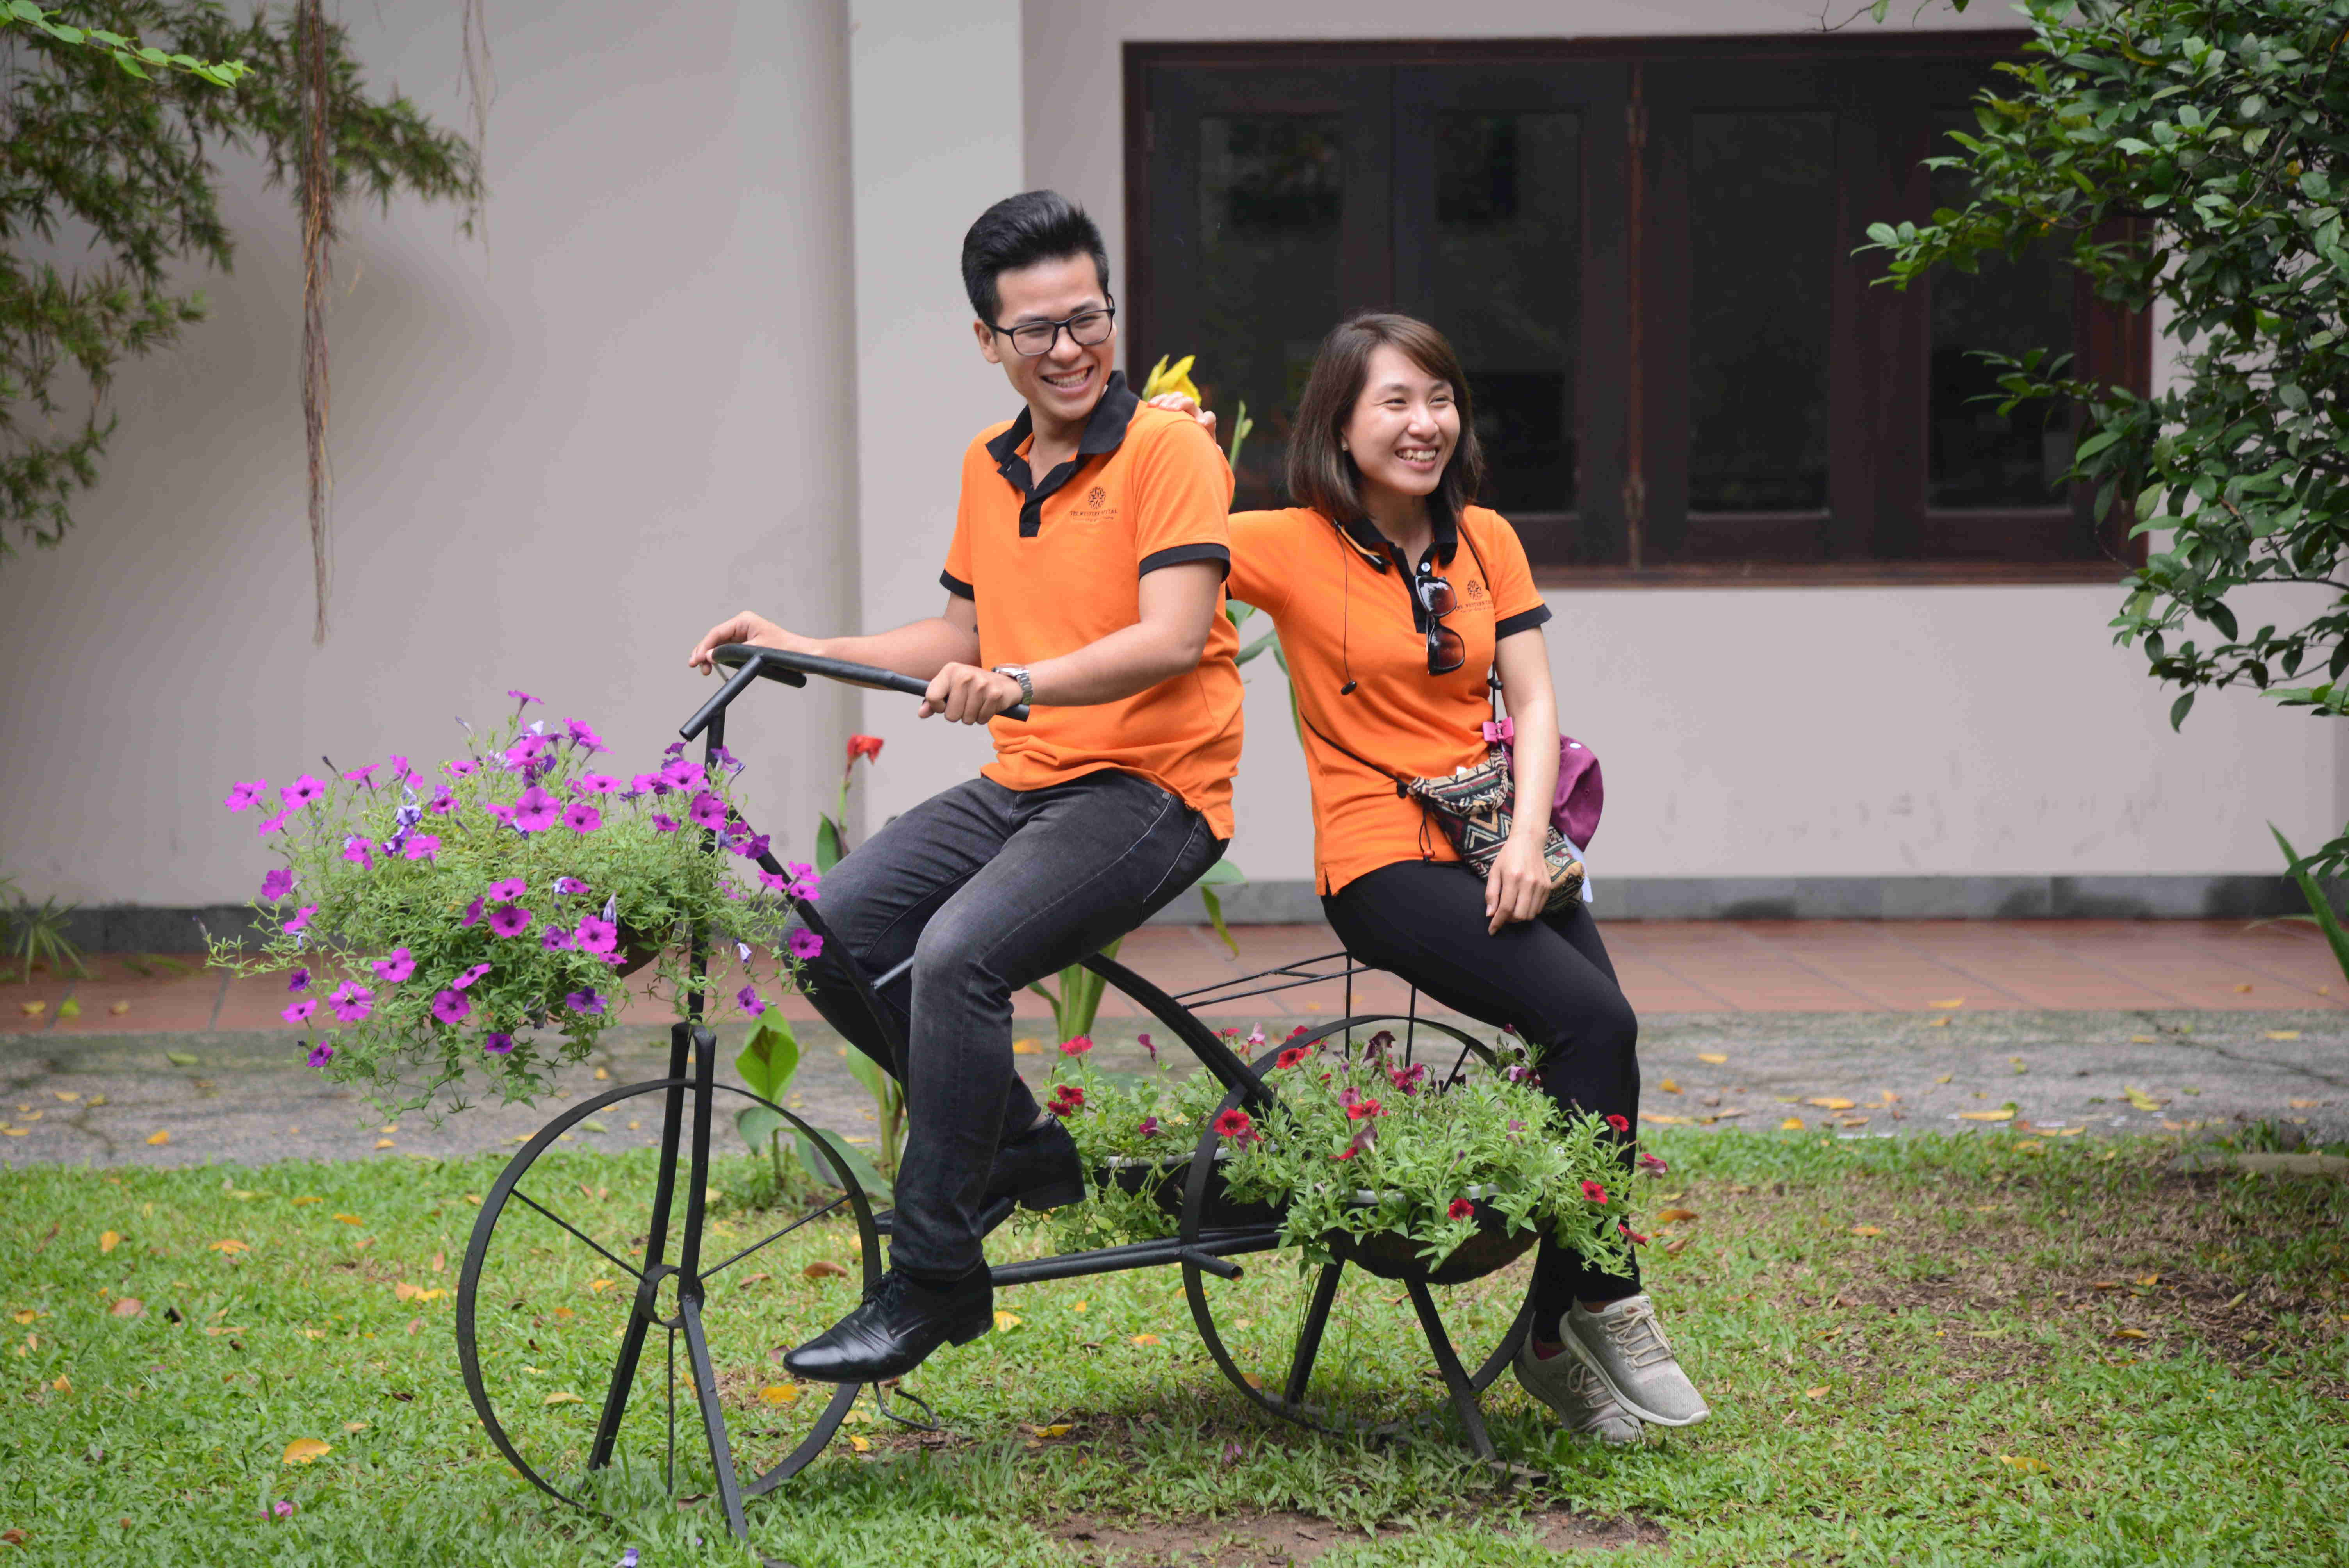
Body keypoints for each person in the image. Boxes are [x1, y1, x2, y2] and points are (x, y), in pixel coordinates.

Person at [688, 191, 1241, 1381]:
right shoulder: (990, 468)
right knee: (829, 929)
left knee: (956, 956)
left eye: (1087, 318)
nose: (1069, 348)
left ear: (1111, 311)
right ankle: (1024, 1147)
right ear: (989, 341)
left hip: (1151, 790)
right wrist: (799, 647)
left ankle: (935, 1276)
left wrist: (1021, 683)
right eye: (1036, 329)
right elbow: (957, 635)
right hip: (1028, 783)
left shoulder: (1171, 451)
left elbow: (1170, 635)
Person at [1169, 312, 1706, 1443]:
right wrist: (1169, 441)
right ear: (1341, 424)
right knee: (1593, 1021)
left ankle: (1554, 1333)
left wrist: (1525, 840)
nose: (1426, 424)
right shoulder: (1287, 543)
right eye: (1396, 403)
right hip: (1377, 861)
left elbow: (1536, 701)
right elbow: (1159, 535)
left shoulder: (1487, 539)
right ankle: (1606, 1300)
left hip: (1499, 842)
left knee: (1597, 1043)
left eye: (1442, 399)